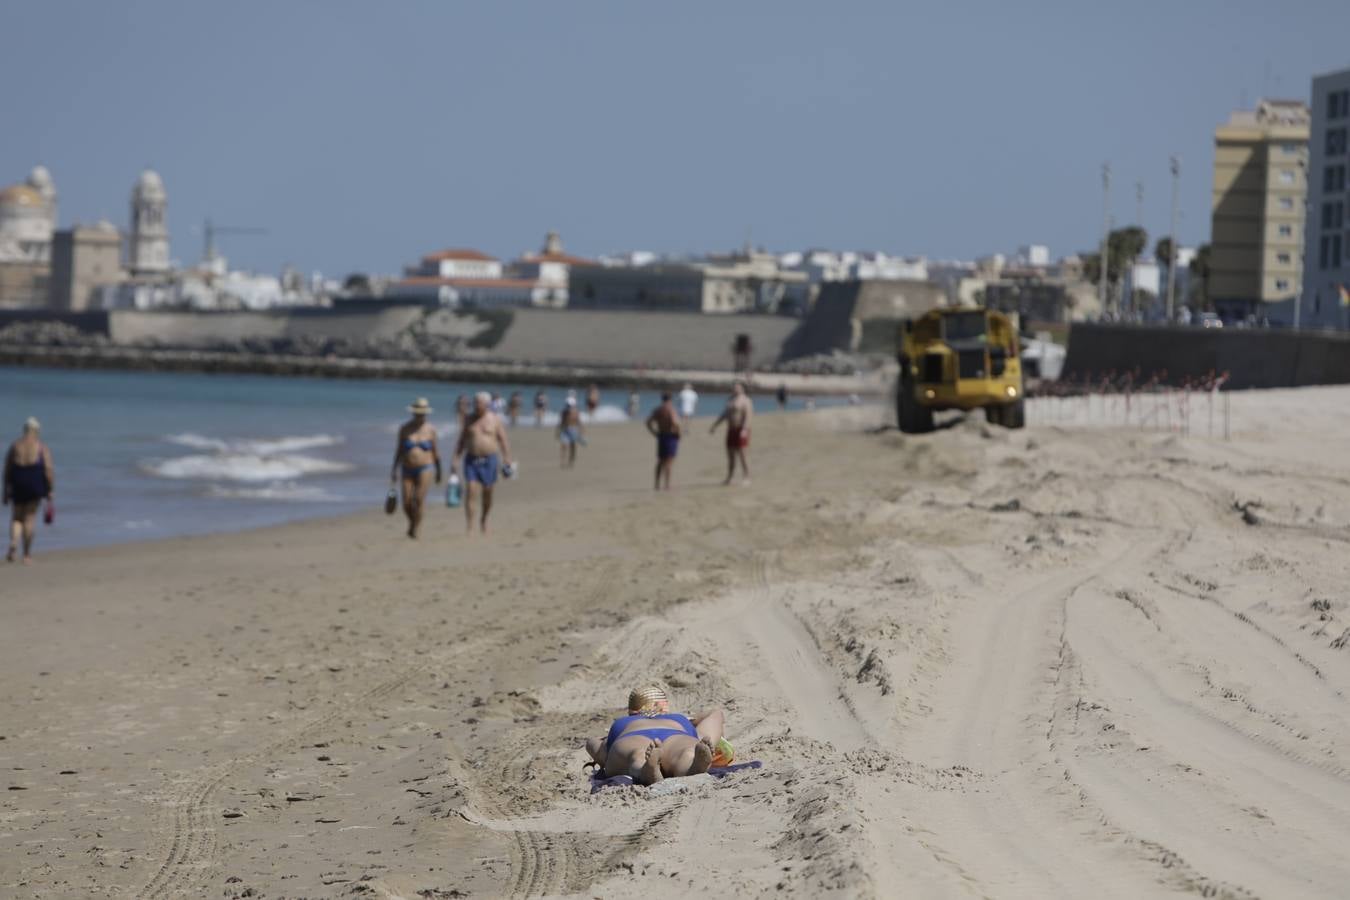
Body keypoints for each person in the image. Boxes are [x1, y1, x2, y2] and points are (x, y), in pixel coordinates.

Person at [584, 685, 726, 786]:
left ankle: (644, 770)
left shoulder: (623, 723)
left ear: (631, 710)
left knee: (636, 755)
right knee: (687, 752)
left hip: (632, 735)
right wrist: (692, 721)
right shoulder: (678, 719)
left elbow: (593, 744)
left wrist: (602, 746)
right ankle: (692, 766)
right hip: (676, 734)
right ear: (664, 706)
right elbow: (716, 714)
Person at [452, 392, 513, 534]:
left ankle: (484, 519)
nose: (476, 405)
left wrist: (507, 457)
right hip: (471, 460)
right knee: (471, 491)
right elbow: (461, 441)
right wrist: (456, 459)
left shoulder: (494, 419)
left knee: (487, 493)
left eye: (479, 403)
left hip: (489, 460)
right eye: (475, 402)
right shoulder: (468, 419)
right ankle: (470, 525)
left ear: (487, 404)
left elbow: (503, 439)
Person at [4, 417, 54, 564]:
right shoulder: (41, 447)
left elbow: (7, 469)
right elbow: (48, 470)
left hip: (18, 483)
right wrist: (50, 490)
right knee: (29, 519)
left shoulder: (15, 446)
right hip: (34, 484)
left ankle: (14, 543)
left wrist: (5, 491)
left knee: (16, 518)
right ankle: (26, 555)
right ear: (37, 431)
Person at [389, 398, 441, 539]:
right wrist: (394, 469)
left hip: (426, 467)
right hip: (407, 468)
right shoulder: (405, 429)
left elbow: (436, 451)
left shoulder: (431, 429)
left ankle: (417, 527)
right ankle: (412, 522)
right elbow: (399, 450)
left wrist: (439, 471)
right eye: (418, 413)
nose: (420, 416)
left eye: (422, 414)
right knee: (406, 502)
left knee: (418, 499)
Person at [710, 381, 753, 486]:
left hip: (741, 429)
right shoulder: (730, 400)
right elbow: (724, 414)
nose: (735, 389)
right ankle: (730, 477)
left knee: (742, 454)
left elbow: (748, 416)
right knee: (730, 455)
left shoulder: (746, 400)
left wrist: (744, 429)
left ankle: (746, 476)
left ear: (742, 388)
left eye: (737, 387)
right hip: (731, 429)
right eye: (734, 387)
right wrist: (715, 425)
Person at [645, 391, 680, 491]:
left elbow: (648, 422)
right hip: (670, 436)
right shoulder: (670, 409)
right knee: (669, 462)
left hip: (661, 435)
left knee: (660, 461)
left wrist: (654, 432)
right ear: (670, 399)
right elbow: (674, 422)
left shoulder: (658, 410)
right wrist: (678, 433)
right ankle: (667, 485)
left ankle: (656, 484)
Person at [556, 396, 584, 468]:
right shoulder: (564, 412)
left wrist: (581, 430)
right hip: (565, 429)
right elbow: (561, 422)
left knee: (572, 446)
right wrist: (558, 431)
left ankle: (571, 461)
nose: (569, 406)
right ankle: (563, 461)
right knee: (564, 445)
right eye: (568, 405)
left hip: (573, 430)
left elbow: (578, 421)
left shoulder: (576, 412)